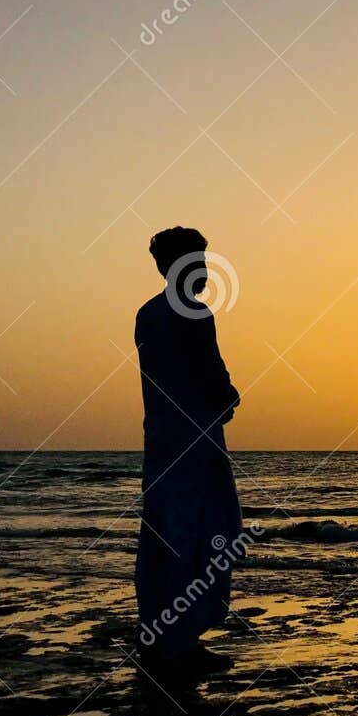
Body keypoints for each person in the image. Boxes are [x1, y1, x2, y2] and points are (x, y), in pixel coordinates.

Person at [133, 226, 243, 678]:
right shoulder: (193, 314)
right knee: (204, 532)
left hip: (161, 439)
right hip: (195, 439)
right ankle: (182, 643)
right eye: (197, 261)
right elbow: (213, 377)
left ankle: (161, 638)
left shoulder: (147, 314)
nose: (202, 269)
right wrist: (229, 398)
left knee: (164, 536)